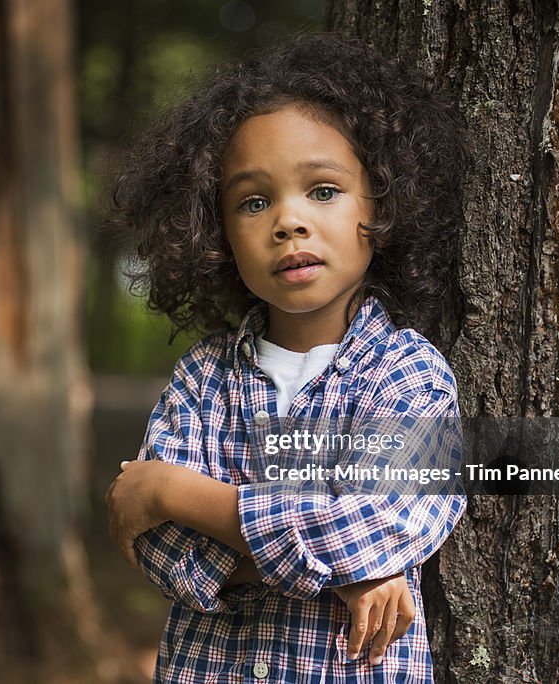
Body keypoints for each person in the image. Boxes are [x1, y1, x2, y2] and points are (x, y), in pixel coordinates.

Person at [105, 32, 468, 683]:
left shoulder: (409, 375)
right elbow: (163, 552)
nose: (288, 221)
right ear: (216, 234)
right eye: (253, 201)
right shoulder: (203, 379)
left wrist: (173, 490)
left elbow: (374, 523)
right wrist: (342, 574)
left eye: (323, 190)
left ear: (379, 208)